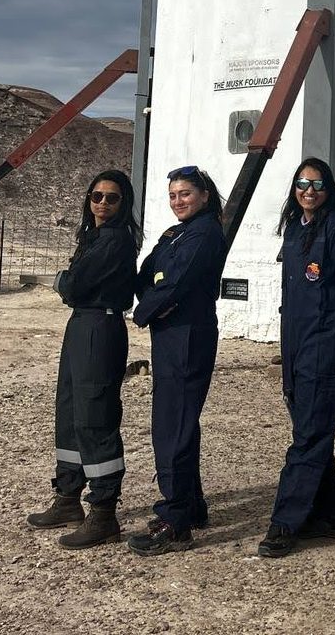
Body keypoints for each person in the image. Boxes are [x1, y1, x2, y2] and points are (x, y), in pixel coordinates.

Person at [257, 158, 335, 558]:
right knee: (311, 430)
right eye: (302, 183)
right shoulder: (294, 230)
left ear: (329, 189)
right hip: (294, 345)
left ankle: (286, 522)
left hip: (323, 344)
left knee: (309, 435)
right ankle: (331, 516)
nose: (309, 191)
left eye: (317, 184)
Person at [27, 170, 141, 549]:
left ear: (124, 204)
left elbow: (74, 285)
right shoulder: (92, 237)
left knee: (95, 415)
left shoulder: (114, 241)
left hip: (100, 325)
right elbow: (75, 286)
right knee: (70, 409)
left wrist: (65, 280)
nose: (103, 203)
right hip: (81, 325)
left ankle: (104, 512)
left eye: (112, 198)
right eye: (97, 196)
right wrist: (70, 282)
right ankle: (68, 495)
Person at [126, 165, 227, 556]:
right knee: (179, 421)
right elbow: (150, 272)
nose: (178, 201)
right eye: (172, 195)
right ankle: (193, 505)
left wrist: (144, 310)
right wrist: (154, 299)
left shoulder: (204, 233)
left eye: (185, 193)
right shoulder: (175, 233)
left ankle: (176, 520)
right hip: (169, 335)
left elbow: (175, 283)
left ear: (203, 195)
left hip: (188, 336)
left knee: (173, 426)